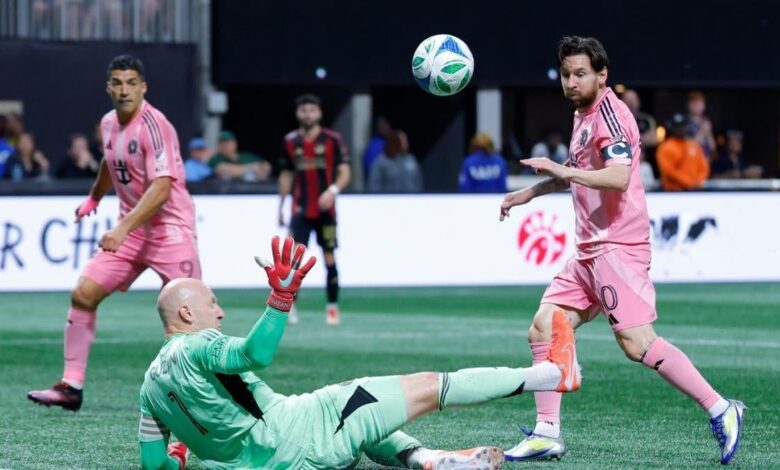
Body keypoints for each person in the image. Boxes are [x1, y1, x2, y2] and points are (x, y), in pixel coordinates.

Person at [499, 36, 744, 465]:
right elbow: (578, 174)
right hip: (588, 252)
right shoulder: (582, 115)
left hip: (617, 248)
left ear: (601, 75)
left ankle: (721, 409)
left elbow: (616, 176)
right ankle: (546, 433)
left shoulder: (611, 115)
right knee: (544, 327)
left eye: (580, 74)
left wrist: (561, 169)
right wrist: (532, 192)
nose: (571, 82)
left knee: (636, 344)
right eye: (566, 74)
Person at [137, 236, 582, 470]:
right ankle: (550, 374)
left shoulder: (149, 389)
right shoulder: (197, 344)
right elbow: (255, 354)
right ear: (185, 311)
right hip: (305, 430)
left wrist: (181, 452)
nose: (220, 310)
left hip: (274, 460)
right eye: (212, 302)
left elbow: (153, 466)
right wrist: (281, 299)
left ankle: (429, 460)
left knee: (369, 425)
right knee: (431, 386)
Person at [27, 54, 201, 411]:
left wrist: (121, 227)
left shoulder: (156, 125)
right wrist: (93, 198)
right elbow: (111, 161)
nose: (124, 90)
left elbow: (163, 186)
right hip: (134, 232)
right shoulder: (108, 123)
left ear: (143, 87)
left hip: (170, 231)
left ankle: (200, 398)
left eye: (131, 83)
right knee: (84, 294)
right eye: (117, 83)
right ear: (108, 87)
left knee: (192, 319)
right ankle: (71, 386)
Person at [279, 94, 351, 326]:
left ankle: (332, 307)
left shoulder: (332, 140)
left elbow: (345, 171)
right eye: (303, 110)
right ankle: (291, 307)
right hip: (300, 209)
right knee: (294, 260)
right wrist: (280, 205)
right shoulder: (290, 141)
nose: (307, 114)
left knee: (329, 257)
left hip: (325, 212)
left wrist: (332, 191)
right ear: (298, 114)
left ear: (319, 113)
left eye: (312, 110)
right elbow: (286, 174)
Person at [656, 114, 710, 191]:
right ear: (672, 128)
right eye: (677, 127)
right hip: (673, 191)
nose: (680, 129)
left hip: (695, 190)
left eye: (682, 126)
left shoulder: (694, 145)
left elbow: (703, 167)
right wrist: (688, 182)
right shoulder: (666, 147)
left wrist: (697, 182)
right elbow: (668, 171)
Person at [686, 91, 717, 160]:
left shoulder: (706, 121)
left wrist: (708, 133)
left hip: (705, 159)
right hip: (690, 160)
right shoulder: (684, 122)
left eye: (699, 103)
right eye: (694, 103)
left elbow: (712, 147)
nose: (697, 106)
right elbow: (688, 146)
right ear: (688, 105)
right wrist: (702, 131)